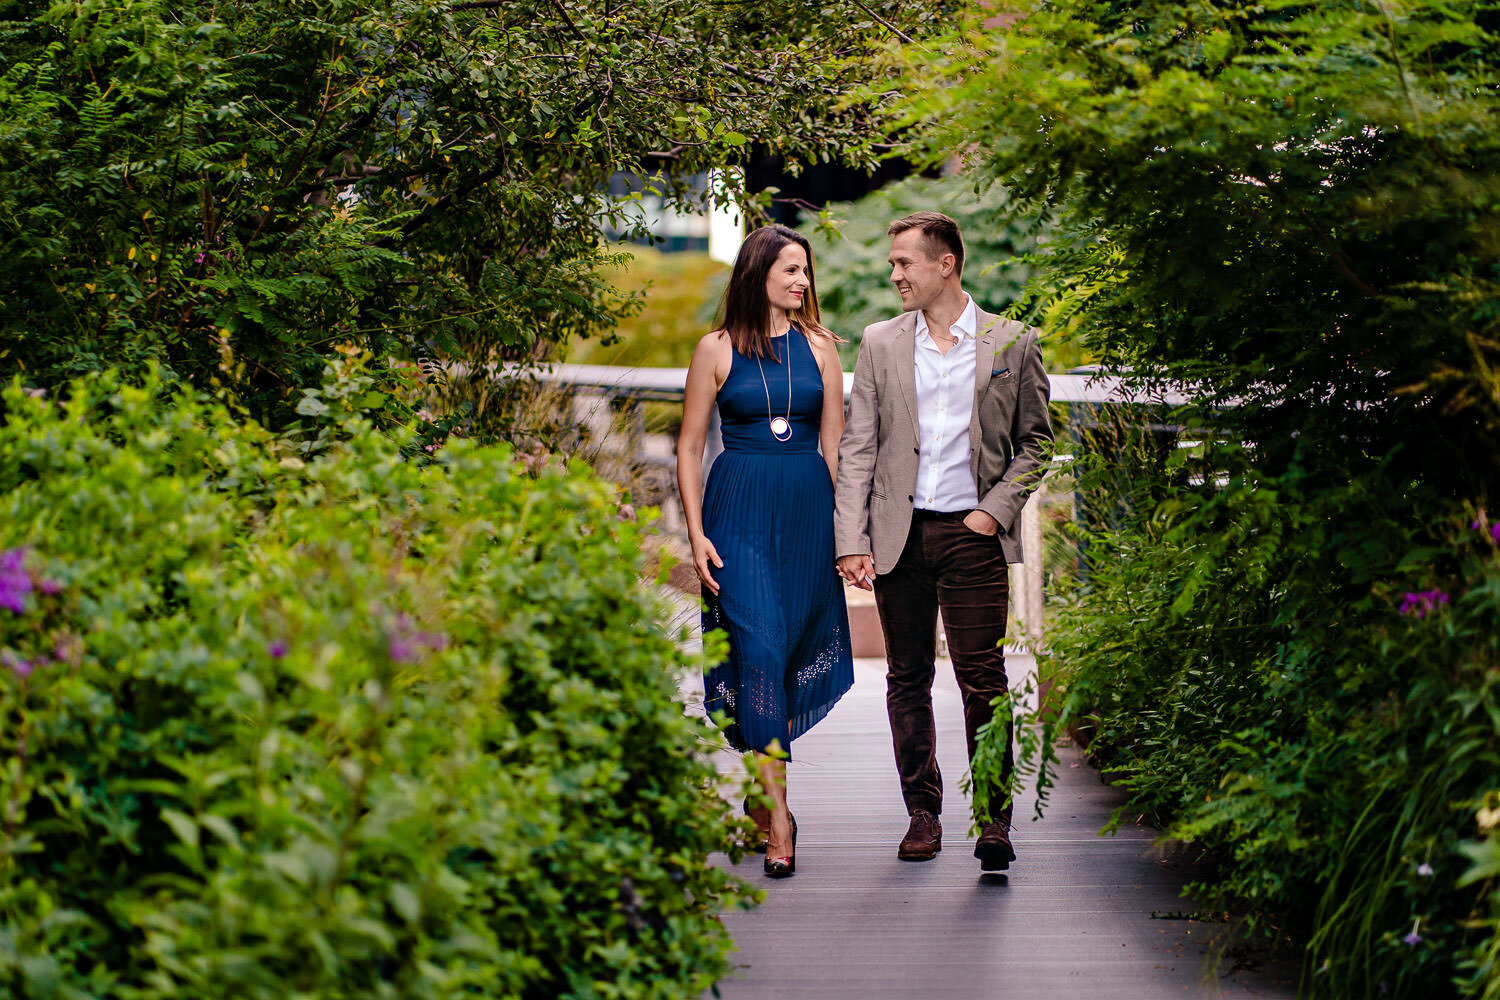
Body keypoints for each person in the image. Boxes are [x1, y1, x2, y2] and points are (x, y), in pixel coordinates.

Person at [833, 211, 1053, 872]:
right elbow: (858, 447)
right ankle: (922, 814)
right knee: (907, 676)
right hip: (899, 535)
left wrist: (994, 512)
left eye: (904, 262)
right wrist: (852, 539)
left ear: (946, 264)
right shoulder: (879, 342)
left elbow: (1037, 442)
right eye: (893, 262)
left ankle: (993, 822)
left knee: (982, 678)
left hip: (973, 535)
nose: (894, 273)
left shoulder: (1013, 343)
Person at [677, 224, 854, 879]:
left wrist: (845, 533)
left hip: (806, 510)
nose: (802, 281)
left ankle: (760, 787)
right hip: (739, 511)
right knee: (758, 652)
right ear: (758, 274)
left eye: (806, 271)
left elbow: (834, 447)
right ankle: (780, 817)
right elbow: (690, 448)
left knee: (784, 656)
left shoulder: (822, 349)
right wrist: (696, 533)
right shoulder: (715, 349)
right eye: (790, 270)